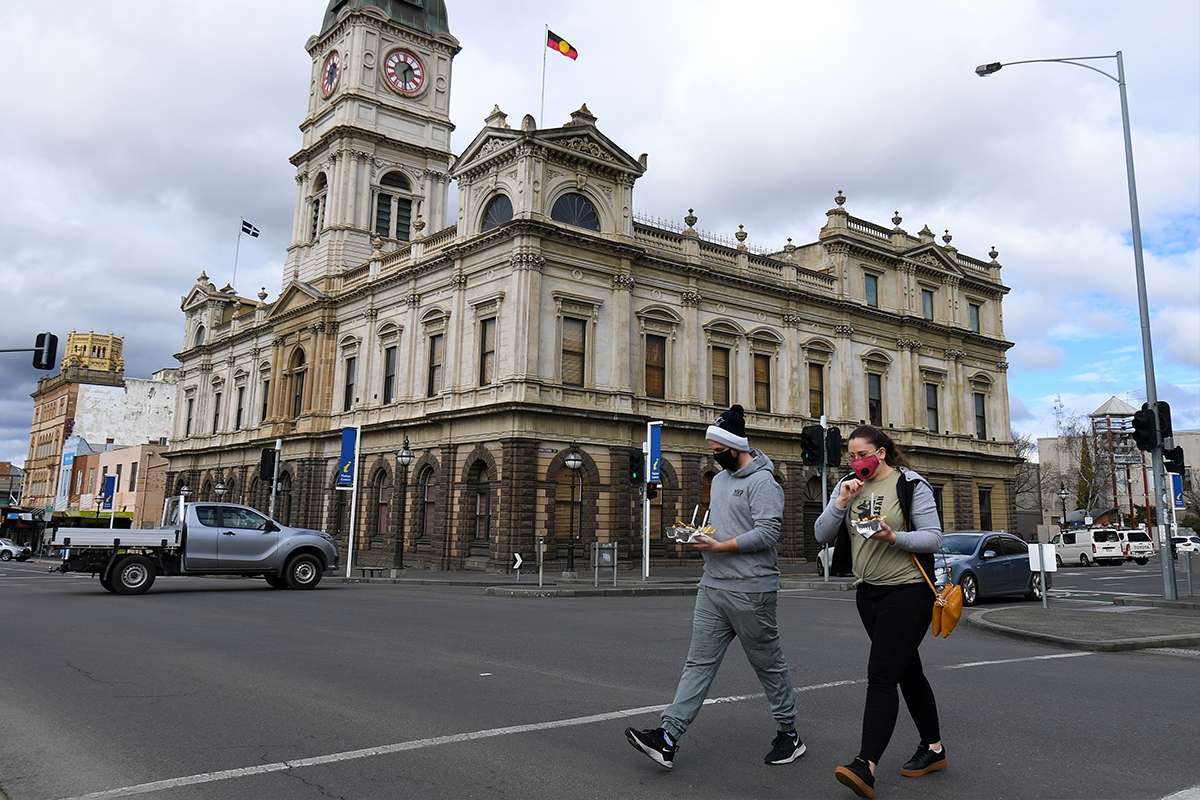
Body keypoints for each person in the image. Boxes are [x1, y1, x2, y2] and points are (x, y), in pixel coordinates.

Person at [625, 404, 803, 770]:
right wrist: (699, 536)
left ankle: (789, 733)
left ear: (735, 447)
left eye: (718, 449)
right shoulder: (719, 481)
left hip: (752, 589)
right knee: (697, 663)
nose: (714, 455)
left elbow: (769, 533)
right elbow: (724, 527)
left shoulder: (763, 482)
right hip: (713, 586)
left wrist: (721, 546)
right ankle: (668, 737)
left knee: (768, 665)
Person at [814, 425, 946, 799]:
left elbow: (934, 538)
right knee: (907, 671)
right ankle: (934, 749)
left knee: (882, 675)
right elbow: (821, 535)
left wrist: (893, 537)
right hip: (868, 594)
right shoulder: (847, 487)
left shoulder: (910, 485)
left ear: (882, 453)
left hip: (908, 592)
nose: (856, 462)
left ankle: (865, 765)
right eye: (851, 456)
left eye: (862, 454)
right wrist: (839, 502)